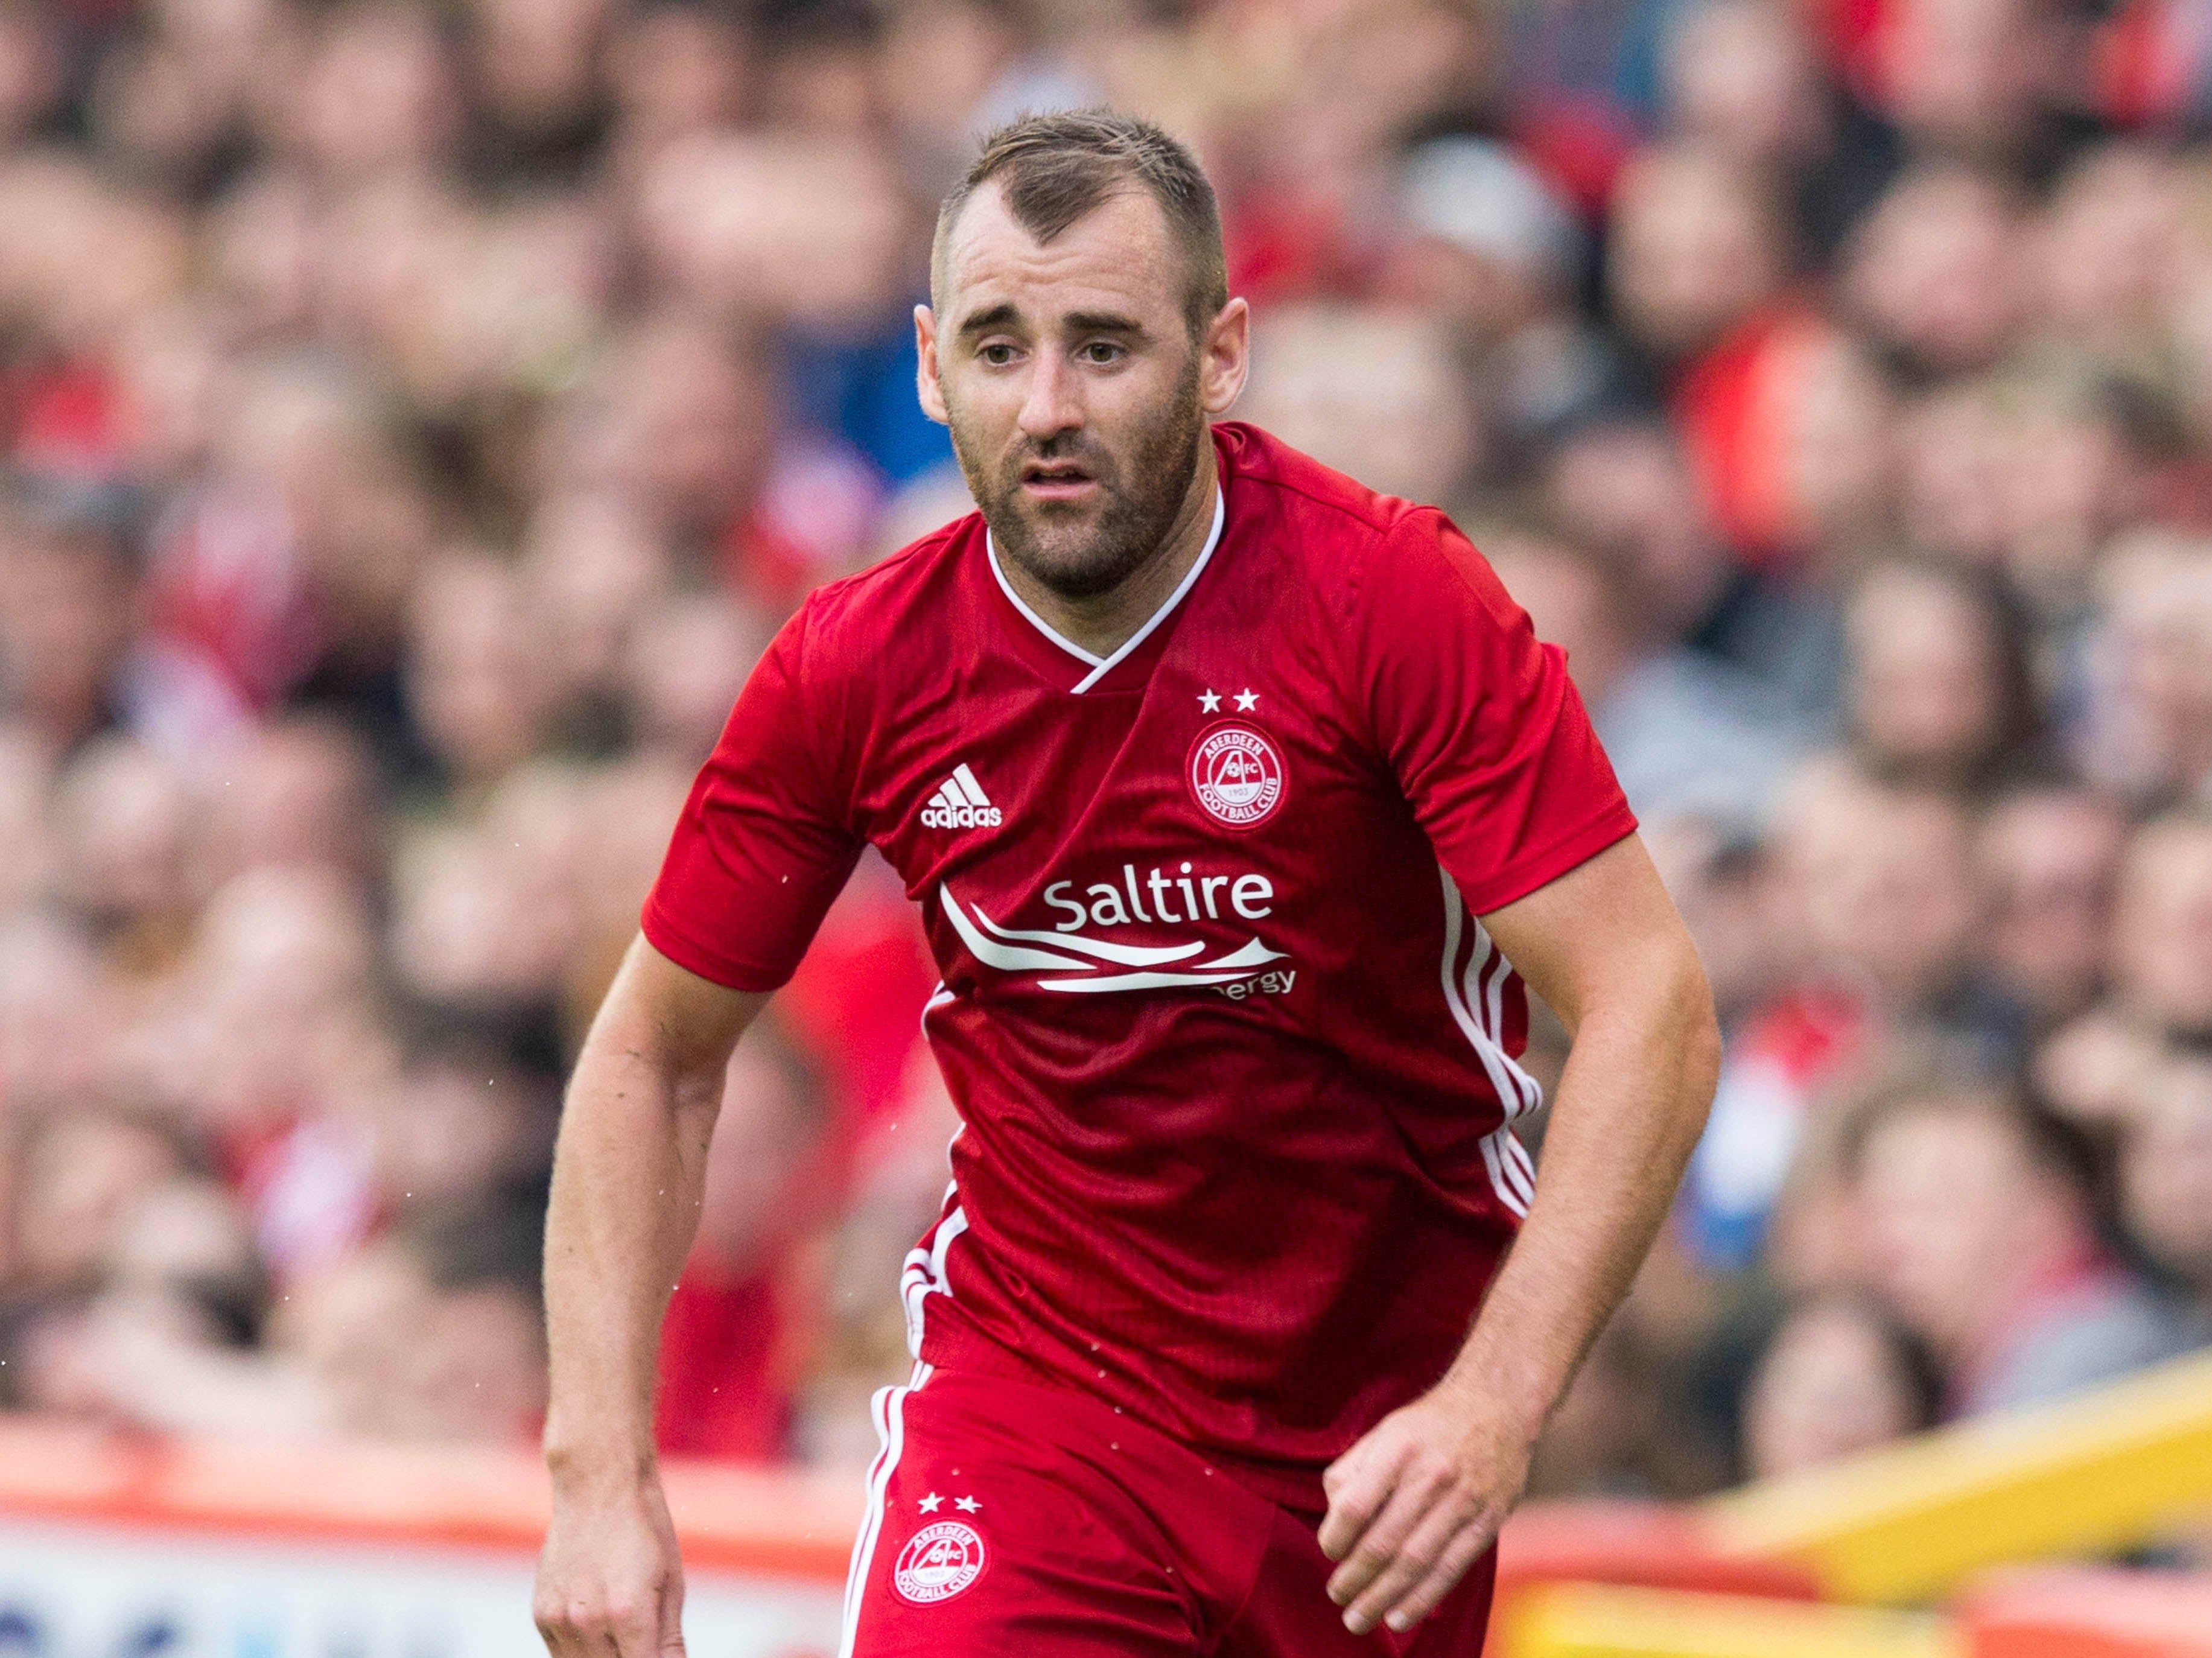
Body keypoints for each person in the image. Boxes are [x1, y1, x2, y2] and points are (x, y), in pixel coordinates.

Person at [532, 110, 1719, 1658]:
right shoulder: (857, 665)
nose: (1047, 405)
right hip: (1035, 1420)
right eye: (999, 345)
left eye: (1104, 347)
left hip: (1372, 1465)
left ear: (1219, 354)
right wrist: (596, 1473)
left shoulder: (1390, 602)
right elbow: (652, 1052)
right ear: (925, 365)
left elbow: (1652, 1005)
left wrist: (1493, 1405)